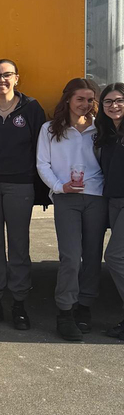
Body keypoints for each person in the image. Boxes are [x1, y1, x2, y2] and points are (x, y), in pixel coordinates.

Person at [0, 59, 47, 331]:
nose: (1, 80)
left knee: (19, 245)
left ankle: (19, 303)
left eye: (7, 75)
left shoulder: (32, 109)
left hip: (20, 185)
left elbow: (40, 146)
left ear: (17, 78)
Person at [37, 78, 105, 341]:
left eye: (90, 100)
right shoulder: (50, 129)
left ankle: (84, 307)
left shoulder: (100, 128)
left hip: (96, 196)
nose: (85, 104)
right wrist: (58, 187)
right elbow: (43, 164)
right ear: (67, 100)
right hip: (66, 197)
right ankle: (65, 311)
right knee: (70, 255)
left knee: (92, 255)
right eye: (80, 99)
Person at [96, 82, 124, 339]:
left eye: (119, 100)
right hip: (114, 200)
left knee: (115, 257)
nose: (114, 106)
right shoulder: (107, 134)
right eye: (108, 102)